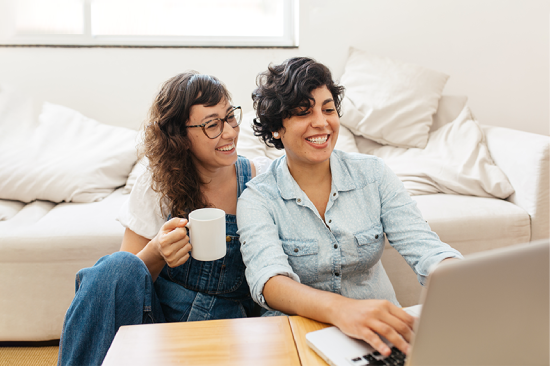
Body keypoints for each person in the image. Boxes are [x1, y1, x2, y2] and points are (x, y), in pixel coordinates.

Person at [236, 57, 463, 358]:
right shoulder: (258, 198)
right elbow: (270, 282)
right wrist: (343, 311)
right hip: (300, 337)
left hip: (381, 338)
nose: (322, 122)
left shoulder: (373, 175)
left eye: (328, 109)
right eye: (304, 112)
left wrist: (459, 277)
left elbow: (424, 246)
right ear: (277, 127)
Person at [58, 72, 271, 366]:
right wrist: (157, 252)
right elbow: (123, 283)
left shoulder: (259, 178)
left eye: (230, 117)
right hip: (159, 331)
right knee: (116, 267)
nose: (230, 132)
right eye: (212, 124)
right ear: (180, 136)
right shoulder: (157, 184)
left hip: (226, 335)